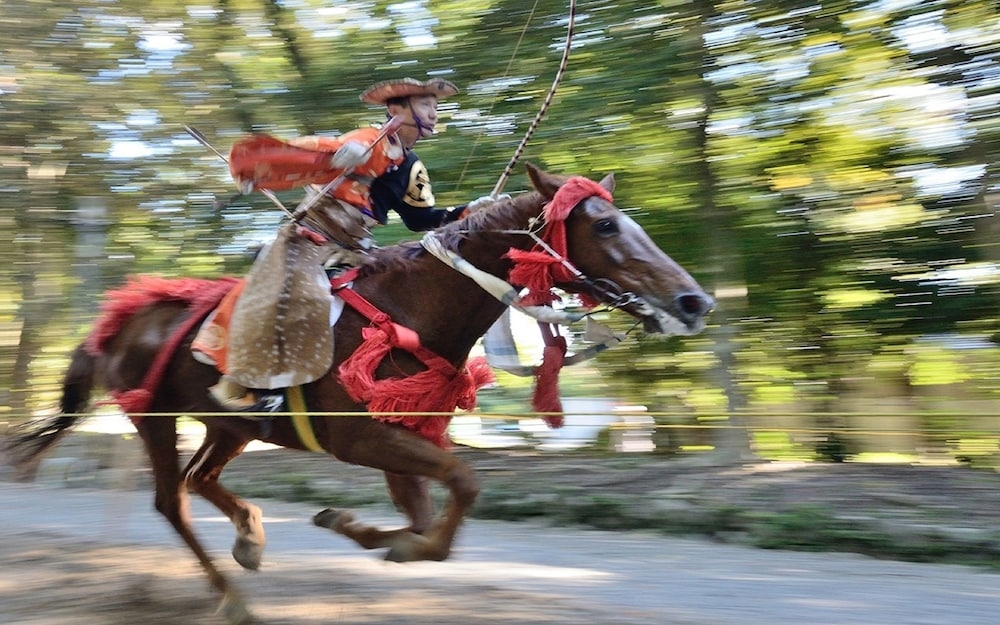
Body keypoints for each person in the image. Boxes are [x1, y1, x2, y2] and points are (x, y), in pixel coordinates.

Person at [202, 77, 494, 410]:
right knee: (292, 298)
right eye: (426, 105)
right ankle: (243, 383)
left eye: (435, 106)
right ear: (397, 108)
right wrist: (337, 158)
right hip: (311, 240)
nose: (434, 113)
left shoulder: (412, 167)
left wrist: (470, 211)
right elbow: (314, 155)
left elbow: (420, 219)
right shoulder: (368, 139)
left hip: (358, 250)